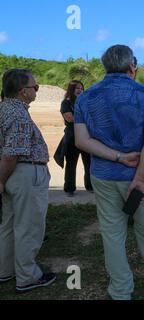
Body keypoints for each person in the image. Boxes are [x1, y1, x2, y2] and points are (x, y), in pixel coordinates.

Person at [74, 45, 144, 300]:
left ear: (106, 66)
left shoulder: (85, 97)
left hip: (105, 175)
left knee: (112, 232)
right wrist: (139, 178)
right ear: (132, 67)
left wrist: (117, 157)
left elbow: (82, 141)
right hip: (142, 175)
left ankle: (120, 288)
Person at [0, 69, 56, 293]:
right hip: (25, 174)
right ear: (23, 92)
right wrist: (1, 180)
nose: (37, 90)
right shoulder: (19, 115)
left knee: (8, 225)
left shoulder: (4, 109)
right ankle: (27, 277)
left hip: (15, 174)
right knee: (28, 227)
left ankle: (5, 271)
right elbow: (12, 153)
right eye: (35, 87)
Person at [57, 80, 92, 197]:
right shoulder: (66, 103)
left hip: (86, 137)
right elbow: (70, 118)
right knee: (71, 164)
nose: (79, 90)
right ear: (71, 90)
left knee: (89, 163)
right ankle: (69, 189)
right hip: (72, 138)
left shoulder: (87, 102)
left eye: (81, 88)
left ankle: (90, 186)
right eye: (77, 88)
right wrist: (86, 117)